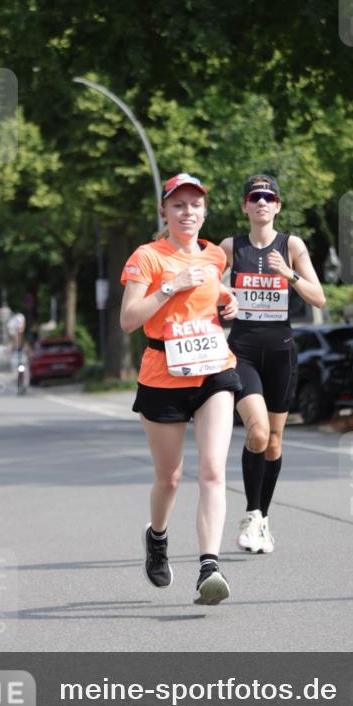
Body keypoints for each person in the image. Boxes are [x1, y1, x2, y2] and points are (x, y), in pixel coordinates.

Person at [120, 173, 240, 605]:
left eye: (195, 205)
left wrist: (229, 301)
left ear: (205, 211)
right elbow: (129, 319)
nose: (187, 212)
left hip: (213, 369)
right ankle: (157, 538)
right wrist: (172, 285)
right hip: (162, 373)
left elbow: (214, 294)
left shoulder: (214, 256)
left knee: (212, 469)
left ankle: (210, 566)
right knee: (169, 478)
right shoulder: (146, 257)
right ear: (164, 212)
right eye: (178, 205)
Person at [220, 174, 326, 554]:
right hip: (243, 353)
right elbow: (208, 290)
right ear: (245, 206)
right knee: (259, 434)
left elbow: (319, 298)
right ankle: (251, 513)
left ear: (278, 206)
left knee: (275, 442)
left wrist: (290, 274)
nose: (262, 202)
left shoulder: (291, 245)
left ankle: (262, 519)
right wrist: (222, 300)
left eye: (269, 197)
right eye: (255, 197)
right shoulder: (232, 247)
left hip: (281, 353)